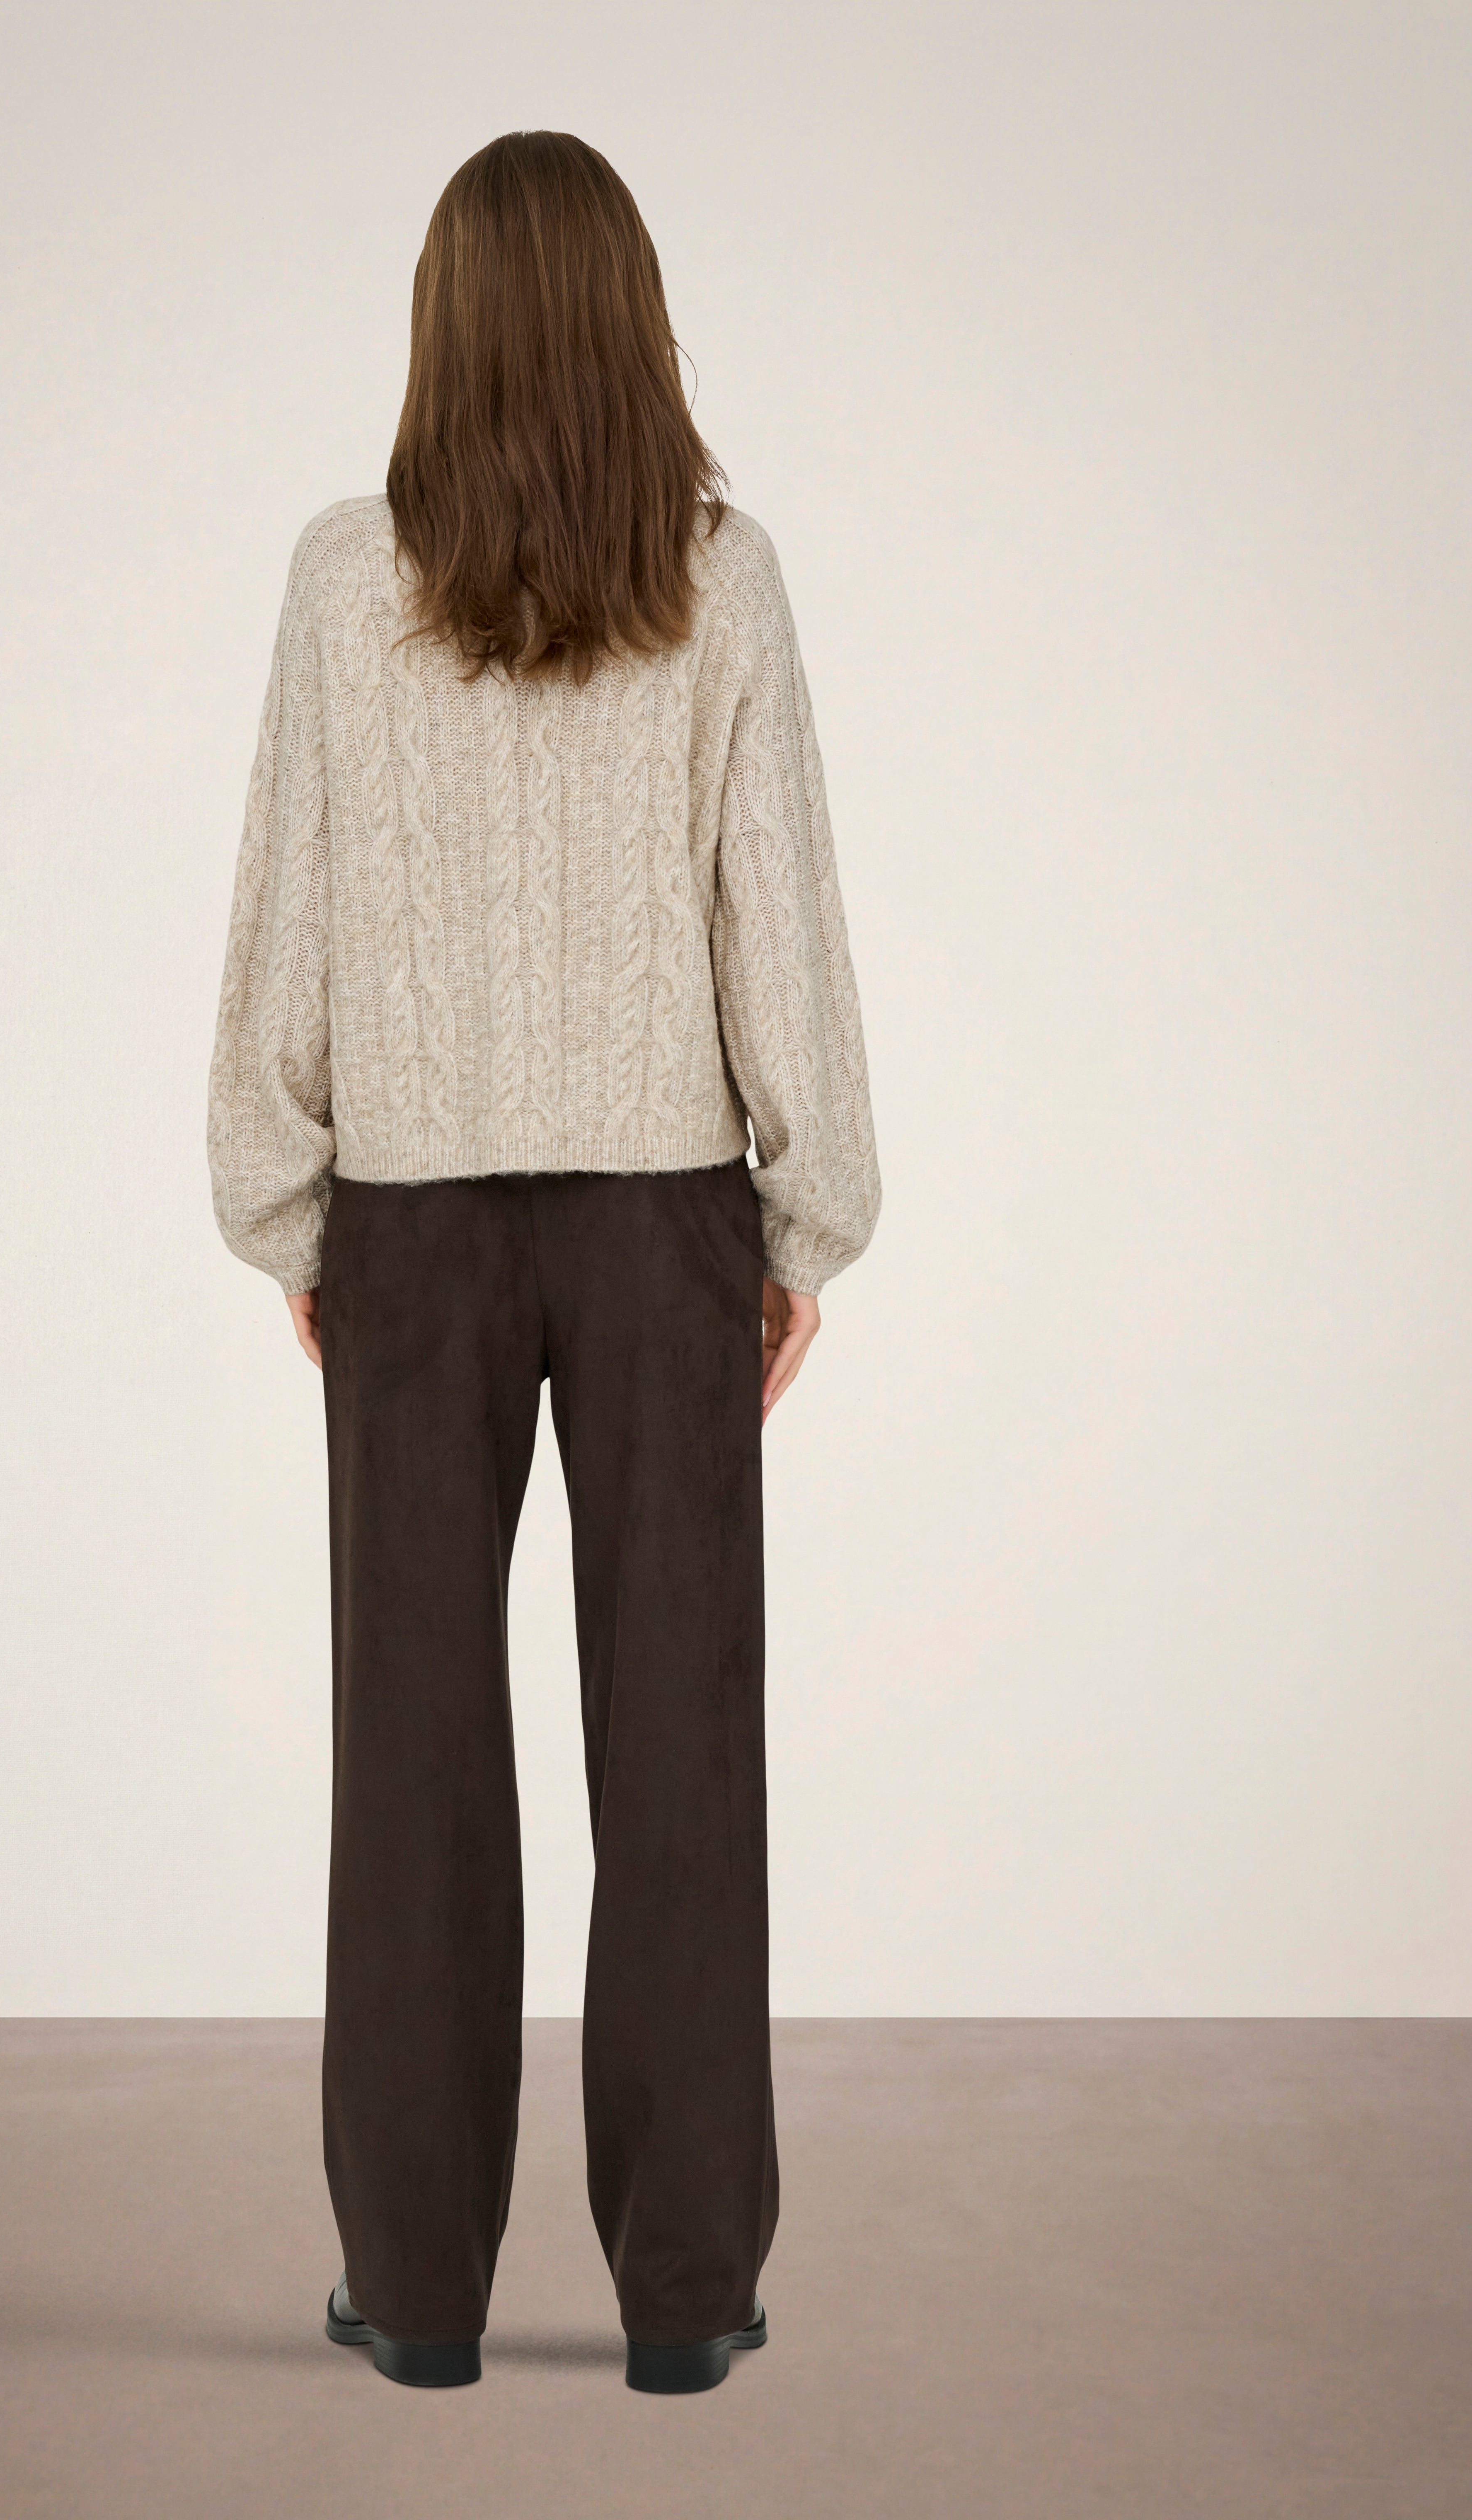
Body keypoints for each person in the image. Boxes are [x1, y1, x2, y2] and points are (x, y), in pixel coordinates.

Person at [206, 129, 881, 2396]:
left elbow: (289, 906)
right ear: (633, 323)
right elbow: (778, 912)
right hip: (664, 1217)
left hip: (410, 1220)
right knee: (679, 1741)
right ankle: (687, 2297)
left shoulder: (346, 577)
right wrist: (807, 1213)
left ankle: (416, 2291)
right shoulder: (722, 579)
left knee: (411, 1745)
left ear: (445, 324)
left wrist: (290, 1204)